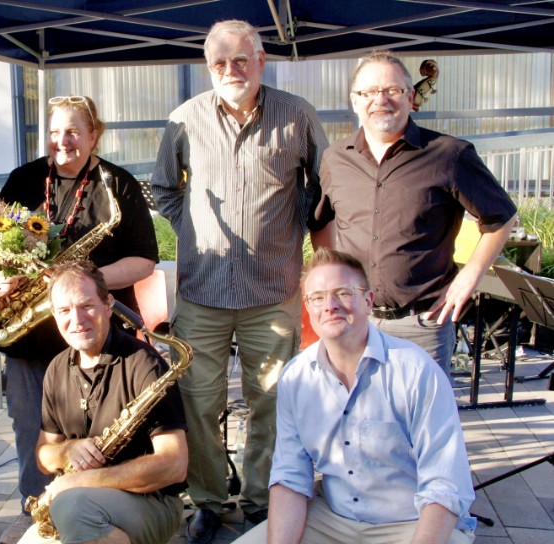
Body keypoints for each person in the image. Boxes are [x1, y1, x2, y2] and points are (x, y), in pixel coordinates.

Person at [151, 19, 328, 542]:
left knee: (271, 404)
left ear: (261, 61)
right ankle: (207, 501)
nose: (230, 70)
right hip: (202, 293)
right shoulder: (184, 119)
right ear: (208, 67)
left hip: (272, 291)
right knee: (198, 403)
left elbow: (323, 186)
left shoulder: (297, 115)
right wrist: (193, 229)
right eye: (219, 62)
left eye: (240, 60)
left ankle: (259, 502)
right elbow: (164, 188)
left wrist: (290, 227)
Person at [0, 95, 158, 543]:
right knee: (30, 426)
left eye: (74, 132)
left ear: (95, 135)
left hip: (96, 335)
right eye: (55, 132)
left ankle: (96, 512)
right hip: (30, 335)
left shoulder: (117, 185)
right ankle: (38, 516)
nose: (63, 141)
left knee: (102, 430)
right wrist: (1, 279)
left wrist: (81, 281)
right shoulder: (23, 179)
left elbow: (143, 261)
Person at [236, 248, 476, 544]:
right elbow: (291, 475)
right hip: (332, 519)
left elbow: (445, 485)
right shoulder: (296, 377)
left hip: (411, 521)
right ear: (307, 307)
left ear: (368, 300)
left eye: (343, 293)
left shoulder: (416, 371)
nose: (330, 306)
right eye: (317, 297)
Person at [311, 50, 517, 377]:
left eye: (392, 90)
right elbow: (321, 222)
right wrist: (330, 284)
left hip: (422, 325)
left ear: (409, 97)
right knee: (354, 407)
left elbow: (501, 218)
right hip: (354, 321)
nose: (381, 100)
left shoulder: (449, 154)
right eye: (369, 92)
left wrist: (469, 277)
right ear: (355, 101)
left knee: (422, 411)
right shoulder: (335, 158)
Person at [17, 260, 188, 544]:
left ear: (108, 305)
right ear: (53, 314)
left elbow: (174, 464)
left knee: (73, 507)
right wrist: (67, 451)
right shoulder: (57, 368)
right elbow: (43, 456)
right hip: (79, 499)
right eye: (64, 310)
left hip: (151, 501)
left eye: (86, 306)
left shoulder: (144, 364)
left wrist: (80, 481)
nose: (77, 320)